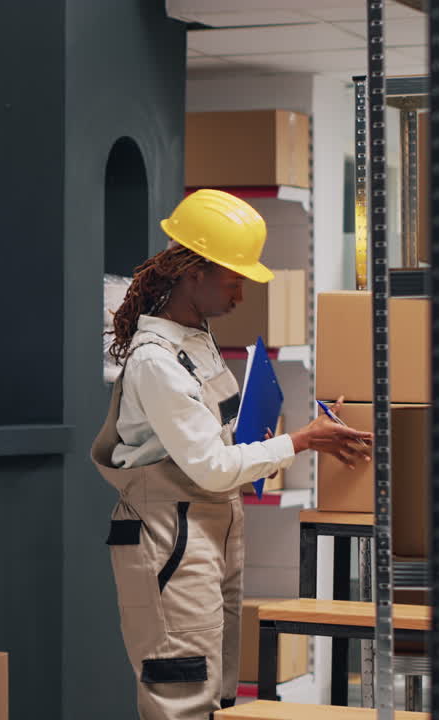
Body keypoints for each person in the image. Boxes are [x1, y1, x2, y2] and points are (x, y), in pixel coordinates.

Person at [93, 189, 373, 720]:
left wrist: (298, 431)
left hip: (212, 524)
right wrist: (301, 440)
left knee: (219, 690)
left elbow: (217, 440)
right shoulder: (157, 361)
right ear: (193, 272)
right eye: (234, 279)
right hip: (170, 537)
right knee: (182, 693)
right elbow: (212, 467)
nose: (241, 294)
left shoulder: (195, 338)